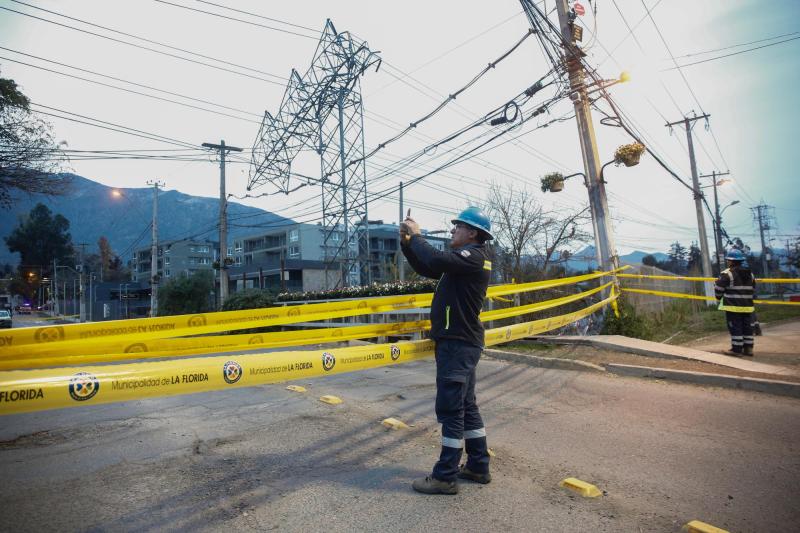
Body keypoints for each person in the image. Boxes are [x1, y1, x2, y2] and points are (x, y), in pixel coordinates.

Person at [400, 206, 494, 495]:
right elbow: (427, 266)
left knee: (452, 409)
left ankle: (445, 477)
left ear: (472, 233)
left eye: (458, 226)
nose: (452, 230)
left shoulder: (473, 256)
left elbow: (435, 258)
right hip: (461, 342)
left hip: (457, 343)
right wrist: (408, 244)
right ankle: (478, 466)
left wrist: (417, 236)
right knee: (466, 406)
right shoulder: (464, 260)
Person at [714, 249, 756, 356]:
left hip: (733, 307)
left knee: (735, 328)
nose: (728, 262)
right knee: (747, 327)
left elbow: (718, 288)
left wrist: (718, 297)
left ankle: (736, 350)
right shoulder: (750, 274)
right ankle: (748, 349)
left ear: (731, 261)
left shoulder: (727, 274)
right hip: (747, 307)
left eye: (728, 260)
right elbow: (753, 288)